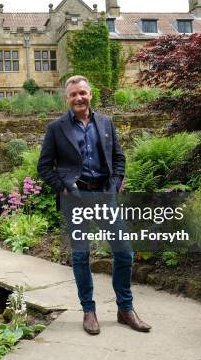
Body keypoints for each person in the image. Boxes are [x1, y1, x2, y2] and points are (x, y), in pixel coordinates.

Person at [37, 75, 151, 335]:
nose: (79, 98)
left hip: (104, 195)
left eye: (83, 93)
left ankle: (125, 309)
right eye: (73, 94)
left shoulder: (106, 123)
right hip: (75, 200)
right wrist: (64, 189)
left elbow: (119, 158)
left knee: (124, 253)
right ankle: (89, 311)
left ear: (90, 94)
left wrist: (116, 182)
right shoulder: (56, 128)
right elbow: (44, 167)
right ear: (66, 99)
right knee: (80, 255)